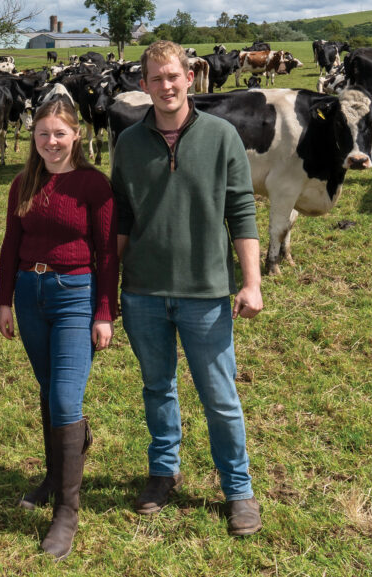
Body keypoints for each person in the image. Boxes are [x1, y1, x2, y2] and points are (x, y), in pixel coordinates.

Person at [110, 41, 265, 537]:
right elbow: (122, 220)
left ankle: (238, 489)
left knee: (219, 395)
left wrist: (252, 282)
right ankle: (164, 471)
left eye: (173, 76)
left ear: (191, 78)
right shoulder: (129, 144)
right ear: (143, 85)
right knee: (158, 387)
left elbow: (241, 211)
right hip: (143, 292)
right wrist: (110, 287)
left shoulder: (222, 137)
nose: (166, 86)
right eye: (156, 79)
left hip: (206, 292)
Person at [0, 98, 118, 560]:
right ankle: (54, 474)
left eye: (59, 134)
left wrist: (104, 312)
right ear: (34, 138)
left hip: (76, 295)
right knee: (49, 391)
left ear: (76, 136)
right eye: (43, 133)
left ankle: (67, 510)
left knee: (67, 397)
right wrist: (4, 299)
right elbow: (11, 244)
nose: (51, 142)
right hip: (31, 292)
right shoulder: (23, 183)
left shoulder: (93, 184)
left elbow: (108, 253)